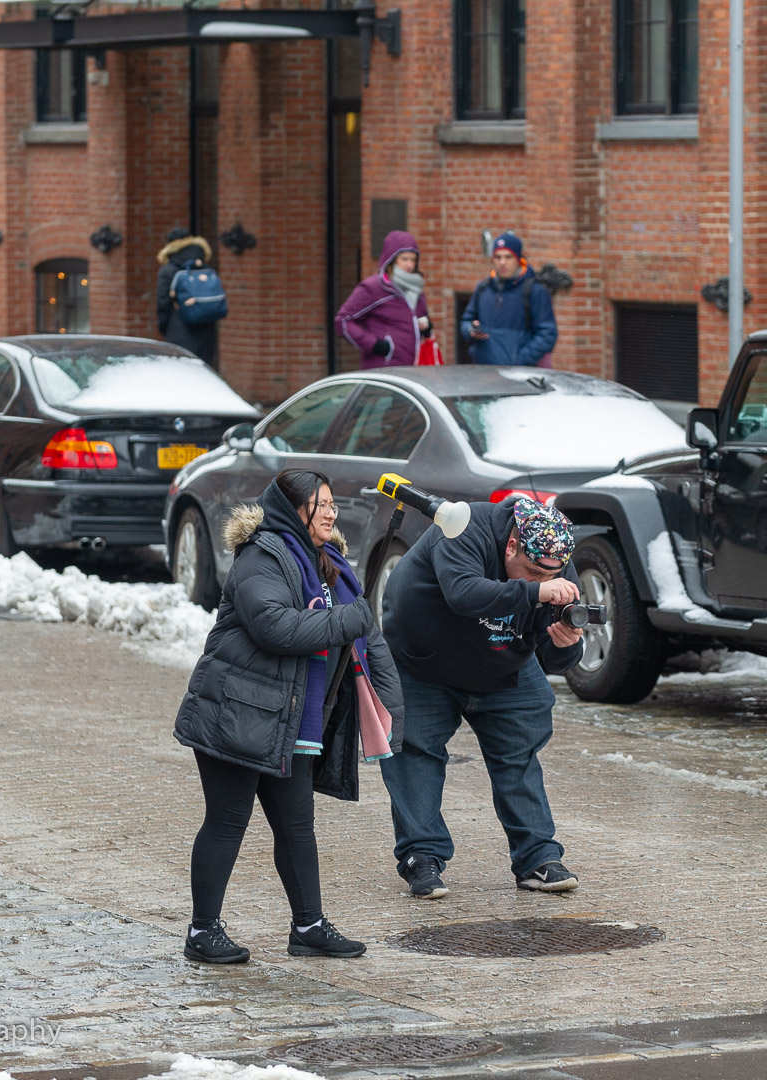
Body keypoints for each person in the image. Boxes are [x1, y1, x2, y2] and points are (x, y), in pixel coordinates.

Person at [173, 469, 403, 963]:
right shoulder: (263, 555)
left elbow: (368, 639)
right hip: (237, 711)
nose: (331, 513)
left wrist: (392, 710)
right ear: (292, 509)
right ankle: (202, 931)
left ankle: (308, 926)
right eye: (320, 504)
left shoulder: (331, 564)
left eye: (332, 504)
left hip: (295, 721)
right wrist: (346, 619)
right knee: (227, 821)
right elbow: (274, 627)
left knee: (297, 826)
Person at [379, 496, 585, 899]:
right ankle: (421, 857)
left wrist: (568, 643)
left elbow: (556, 656)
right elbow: (464, 593)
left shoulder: (553, 556)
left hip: (502, 663)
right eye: (532, 573)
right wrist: (537, 592)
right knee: (415, 757)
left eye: (551, 576)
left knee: (518, 756)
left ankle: (538, 858)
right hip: (424, 662)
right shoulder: (463, 526)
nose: (544, 582)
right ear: (511, 546)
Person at [334, 230, 430, 368]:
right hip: (383, 369)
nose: (409, 264)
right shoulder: (373, 288)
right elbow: (343, 320)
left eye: (413, 259)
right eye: (404, 259)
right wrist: (374, 345)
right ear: (391, 259)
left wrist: (426, 328)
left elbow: (419, 321)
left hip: (412, 370)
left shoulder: (417, 289)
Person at [460, 232, 557, 367]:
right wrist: (471, 330)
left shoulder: (535, 290)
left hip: (519, 374)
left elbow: (547, 334)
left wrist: (519, 360)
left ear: (518, 259)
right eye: (498, 257)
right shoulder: (483, 288)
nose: (502, 262)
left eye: (508, 257)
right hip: (484, 372)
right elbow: (466, 321)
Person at [156, 228, 219, 369]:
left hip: (178, 329)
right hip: (207, 331)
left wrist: (164, 327)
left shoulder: (168, 270)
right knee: (204, 371)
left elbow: (163, 302)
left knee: (180, 372)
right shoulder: (203, 266)